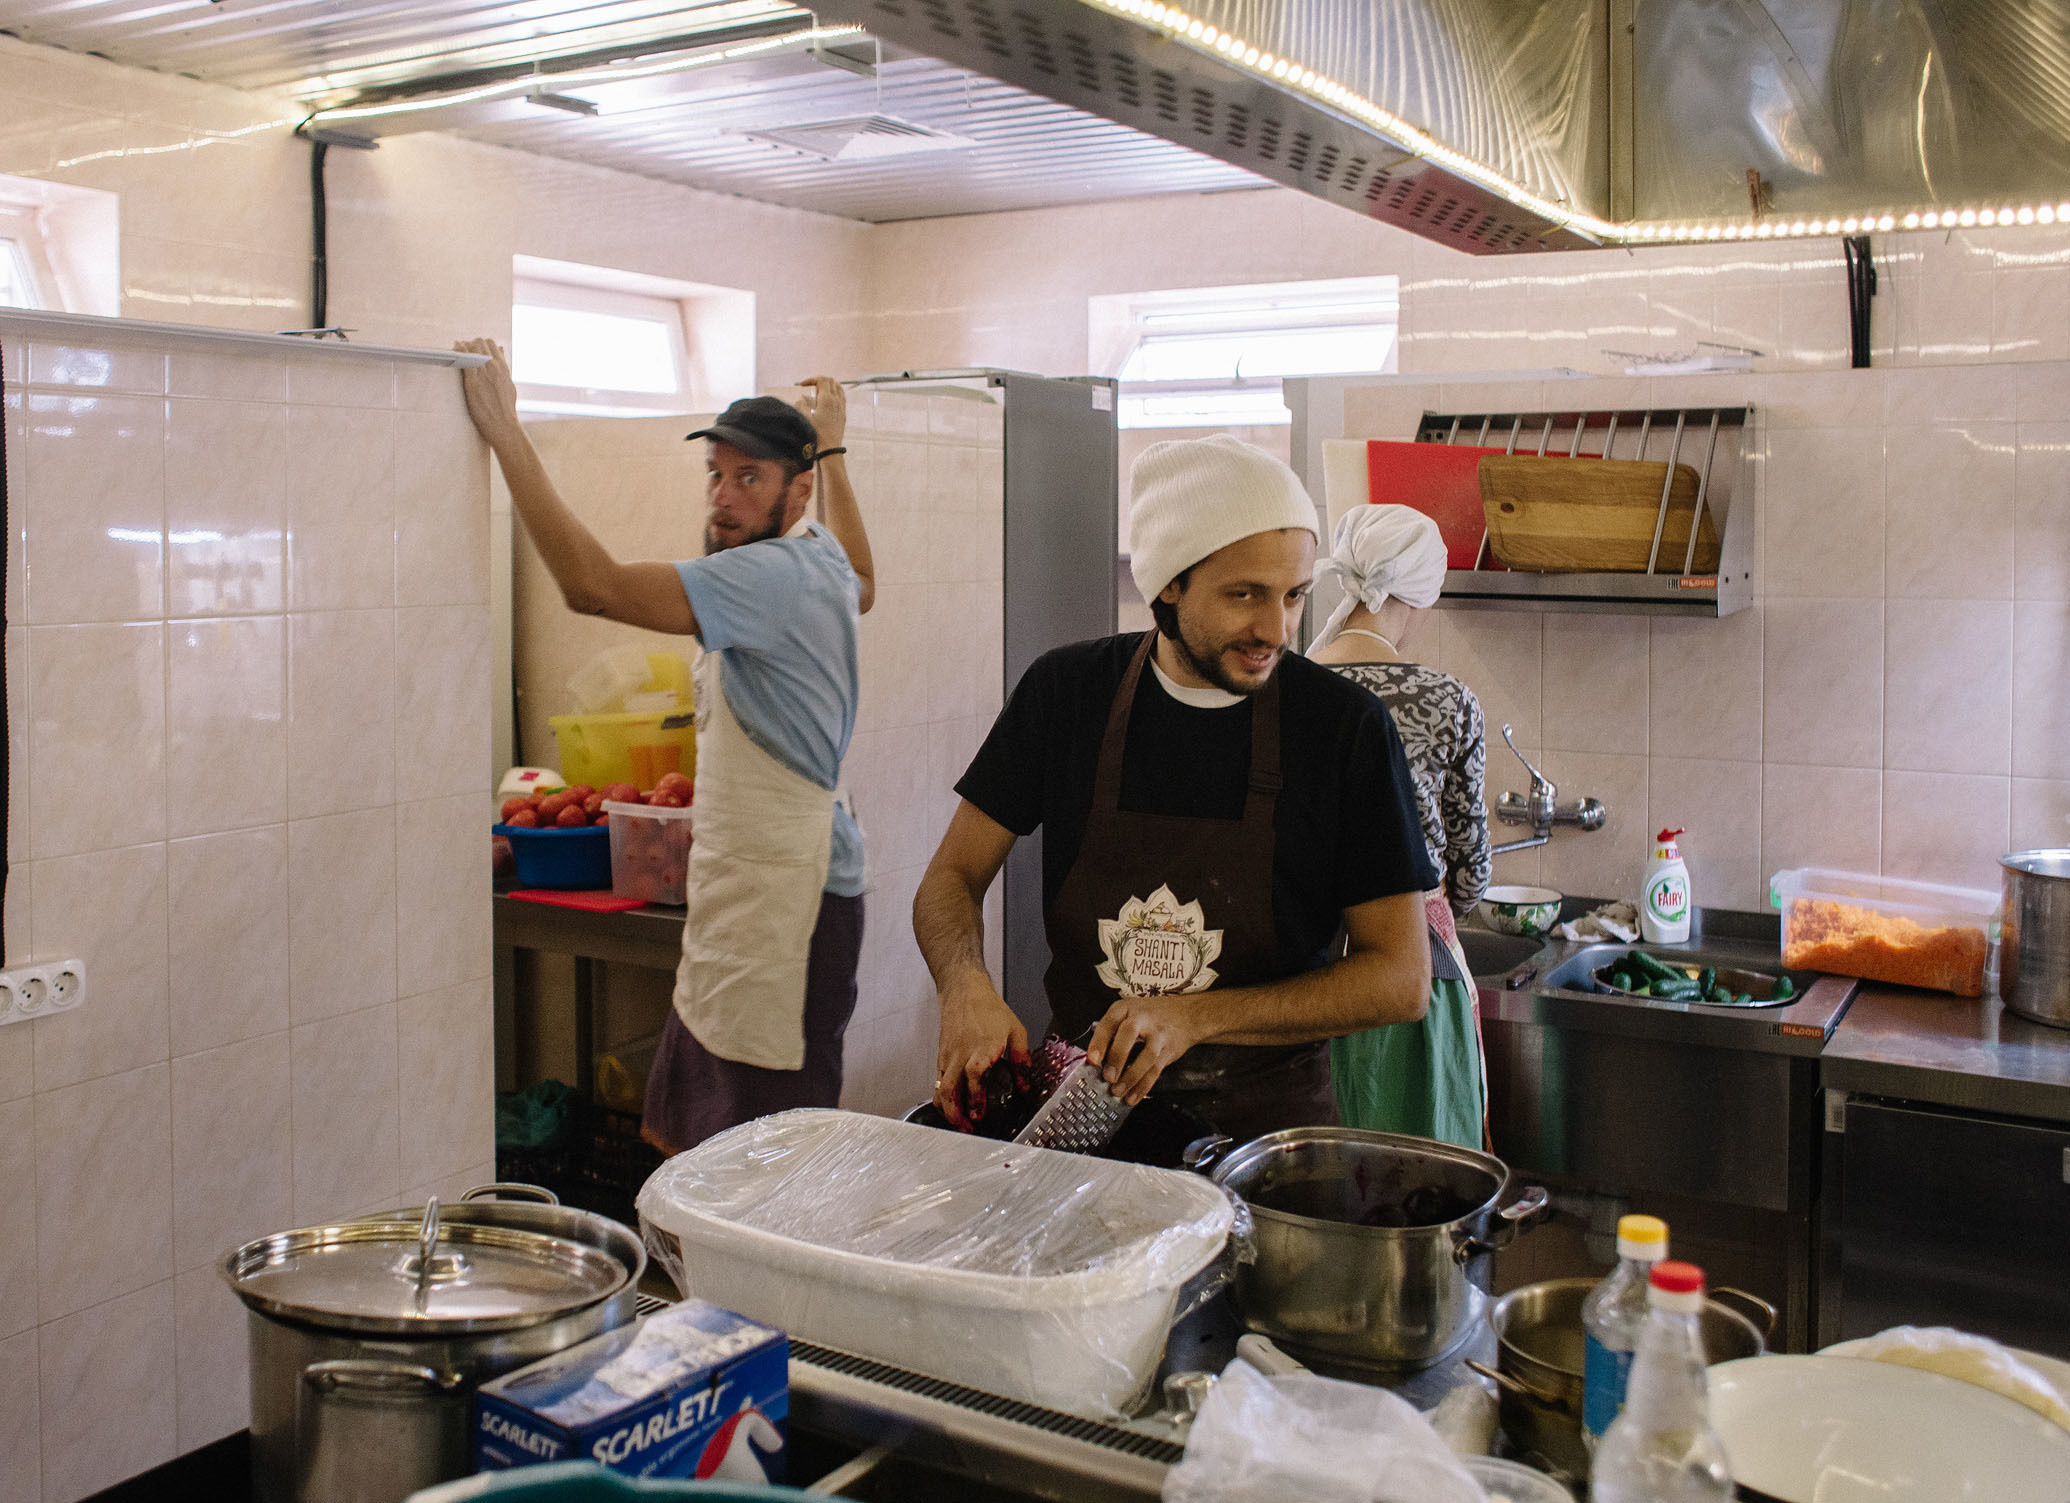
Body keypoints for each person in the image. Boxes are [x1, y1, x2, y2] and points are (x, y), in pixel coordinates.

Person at [913, 434, 1437, 1145]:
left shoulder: (1342, 728)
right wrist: (964, 986)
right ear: (1167, 581)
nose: (1275, 629)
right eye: (1243, 594)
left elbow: (1400, 978)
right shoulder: (1067, 693)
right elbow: (951, 876)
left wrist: (1197, 1015)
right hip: (1084, 1121)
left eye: (1294, 596)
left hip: (1265, 1143)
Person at [456, 340, 875, 1154]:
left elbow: (594, 587)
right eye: (715, 474)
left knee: (755, 1171)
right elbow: (867, 580)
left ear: (798, 490)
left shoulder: (769, 577)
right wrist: (836, 447)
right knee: (691, 1146)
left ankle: (744, 1288)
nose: (723, 498)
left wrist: (508, 434)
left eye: (748, 479)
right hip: (766, 888)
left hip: (784, 909)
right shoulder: (818, 559)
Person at [1308, 504, 1490, 1149]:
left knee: (1312, 1179)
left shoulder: (1283, 686)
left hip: (1295, 971)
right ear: (1417, 598)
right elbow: (1470, 873)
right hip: (1412, 973)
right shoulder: (1447, 700)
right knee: (1415, 1173)